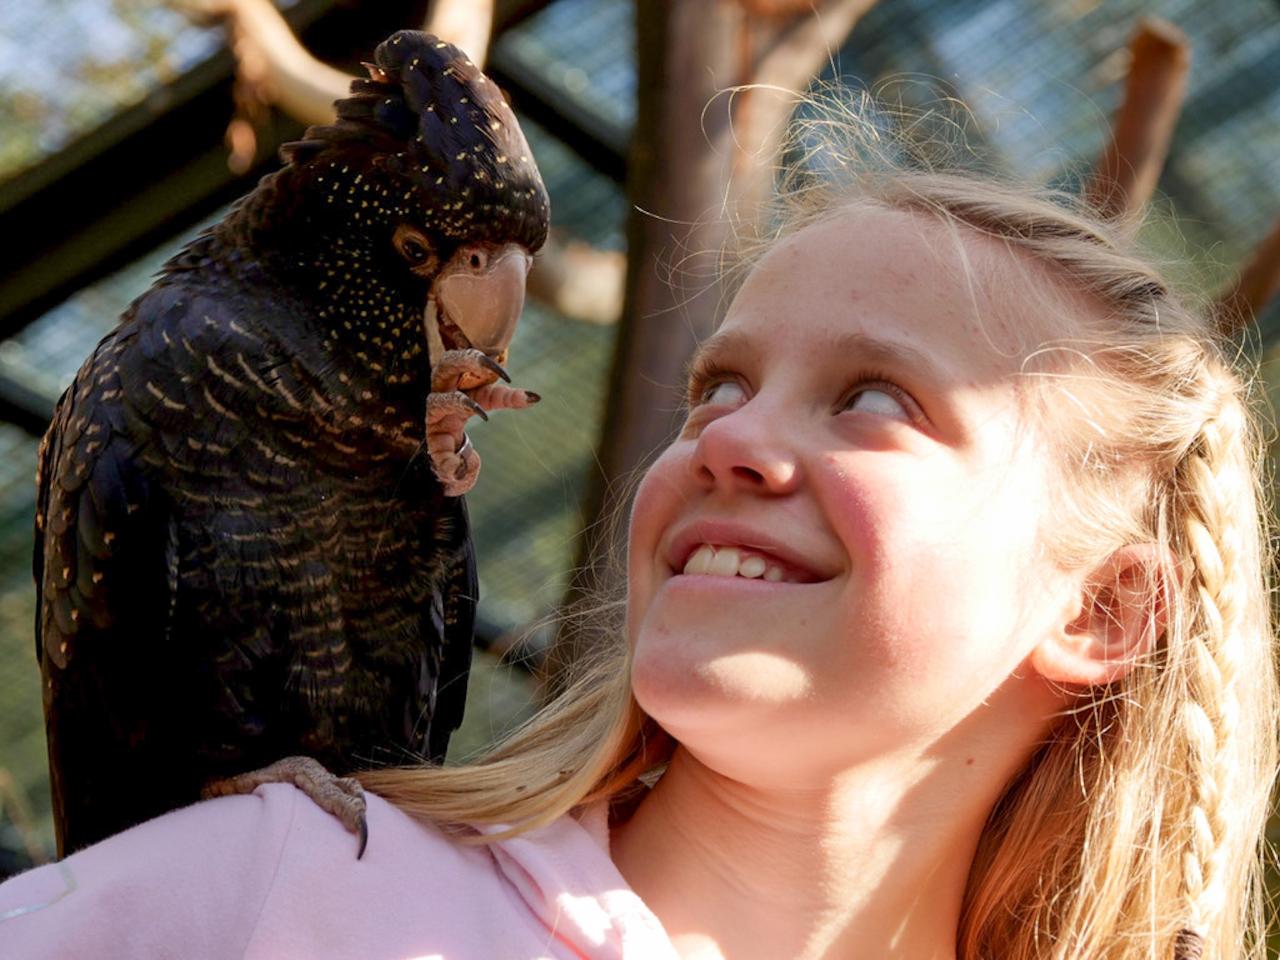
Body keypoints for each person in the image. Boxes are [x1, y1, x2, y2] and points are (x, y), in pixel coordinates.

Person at [2, 102, 1276, 960]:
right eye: (715, 386)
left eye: (872, 400)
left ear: (1098, 609)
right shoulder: (280, 896)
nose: (726, 438)